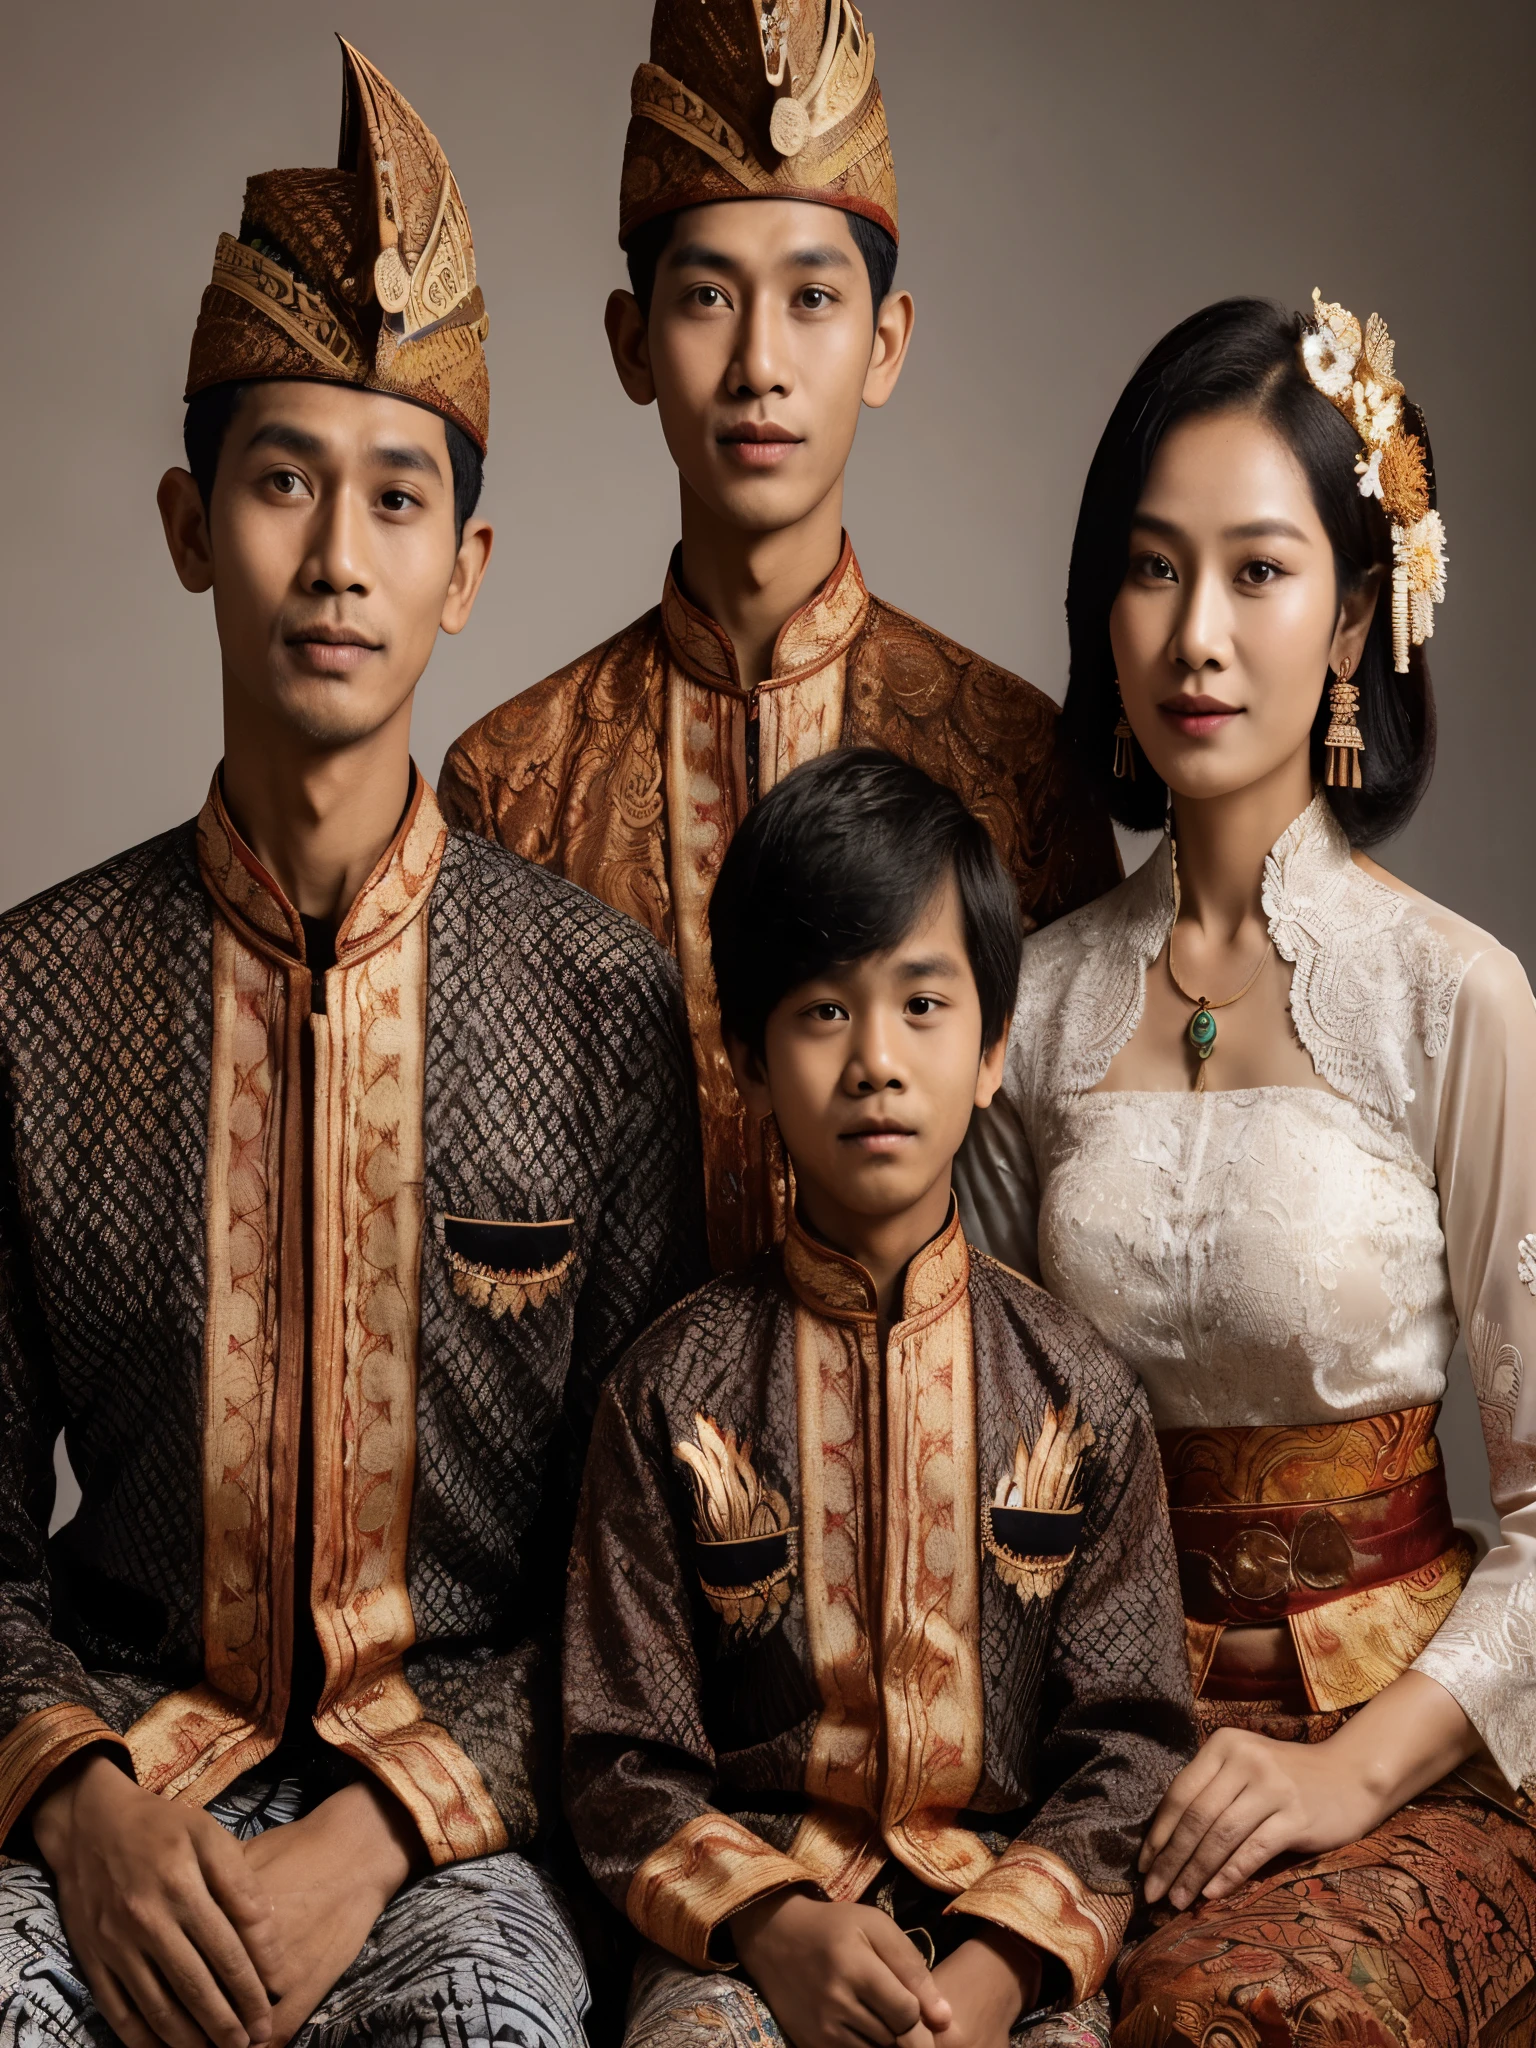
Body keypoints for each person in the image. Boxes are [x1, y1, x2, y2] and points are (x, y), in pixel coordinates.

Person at [0, 41, 704, 2048]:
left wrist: (389, 1827)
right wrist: (80, 1802)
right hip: (119, 1789)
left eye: (397, 498)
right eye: (282, 480)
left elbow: (630, 1571)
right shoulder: (32, 998)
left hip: (462, 1832)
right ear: (183, 519)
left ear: (465, 569)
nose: (334, 557)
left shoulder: (593, 1001)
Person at [956, 294, 1536, 2047]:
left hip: (1397, 1758)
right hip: (1080, 1738)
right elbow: (952, 1408)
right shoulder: (1037, 1003)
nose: (1195, 635)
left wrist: (1349, 1772)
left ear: (1356, 610)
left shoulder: (1451, 997)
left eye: (1259, 571)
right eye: (1150, 569)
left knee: (1241, 2018)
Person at [438, 0, 1119, 1274]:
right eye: (707, 297)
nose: (760, 362)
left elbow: (1078, 1196)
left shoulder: (1018, 758)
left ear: (886, 341)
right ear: (634, 344)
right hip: (619, 1465)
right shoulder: (511, 781)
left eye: (813, 296)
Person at [563, 750, 1195, 2048]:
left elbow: (1130, 1747)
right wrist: (771, 1926)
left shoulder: (1080, 1399)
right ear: (746, 1054)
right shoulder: (666, 1394)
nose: (875, 1063)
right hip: (750, 1944)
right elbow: (617, 1751)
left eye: (922, 1004)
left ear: (991, 1051)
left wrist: (1000, 1968)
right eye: (820, 1012)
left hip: (1002, 1947)